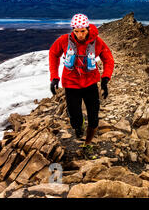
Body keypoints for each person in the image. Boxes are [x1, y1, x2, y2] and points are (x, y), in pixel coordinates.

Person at [48, 13, 114, 152]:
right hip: (71, 84)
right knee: (74, 116)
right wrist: (54, 77)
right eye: (76, 31)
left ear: (88, 28)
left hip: (90, 83)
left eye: (82, 31)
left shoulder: (97, 42)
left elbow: (108, 59)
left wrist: (105, 79)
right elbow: (54, 54)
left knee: (94, 116)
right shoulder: (64, 40)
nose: (79, 35)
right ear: (73, 30)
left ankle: (88, 142)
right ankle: (78, 126)